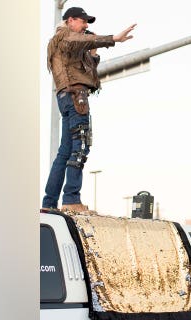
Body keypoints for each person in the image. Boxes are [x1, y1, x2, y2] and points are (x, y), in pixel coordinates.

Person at [42, 7, 136, 212]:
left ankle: (49, 203)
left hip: (69, 97)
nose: (86, 26)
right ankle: (71, 200)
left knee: (64, 152)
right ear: (70, 21)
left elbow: (88, 75)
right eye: (83, 22)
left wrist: (93, 54)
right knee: (80, 146)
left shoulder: (69, 45)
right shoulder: (64, 36)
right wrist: (113, 39)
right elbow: (76, 41)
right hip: (76, 98)